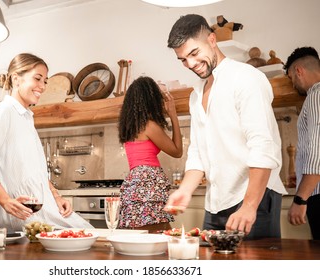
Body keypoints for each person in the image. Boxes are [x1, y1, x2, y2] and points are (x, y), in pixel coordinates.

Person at [164, 14, 287, 239]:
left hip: (254, 199)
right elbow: (198, 152)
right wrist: (185, 190)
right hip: (216, 203)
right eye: (183, 59)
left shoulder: (246, 78)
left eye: (194, 53)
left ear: (212, 40)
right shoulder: (196, 95)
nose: (190, 64)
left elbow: (263, 145)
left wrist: (249, 206)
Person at [0, 53, 93, 231]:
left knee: (90, 235)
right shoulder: (3, 113)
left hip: (42, 212)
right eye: (38, 79)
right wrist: (5, 200)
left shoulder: (26, 118)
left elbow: (36, 172)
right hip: (21, 216)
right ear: (16, 79)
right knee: (90, 236)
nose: (42, 87)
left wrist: (56, 197)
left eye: (45, 81)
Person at [118, 76, 183, 232]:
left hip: (135, 183)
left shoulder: (129, 127)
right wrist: (173, 115)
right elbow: (177, 151)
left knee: (145, 235)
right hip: (149, 183)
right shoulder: (148, 125)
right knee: (159, 235)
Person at [284, 46, 320, 240]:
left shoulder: (316, 94)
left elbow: (318, 149)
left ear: (299, 71)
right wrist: (301, 178)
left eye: (291, 78)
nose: (293, 85)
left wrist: (300, 197)